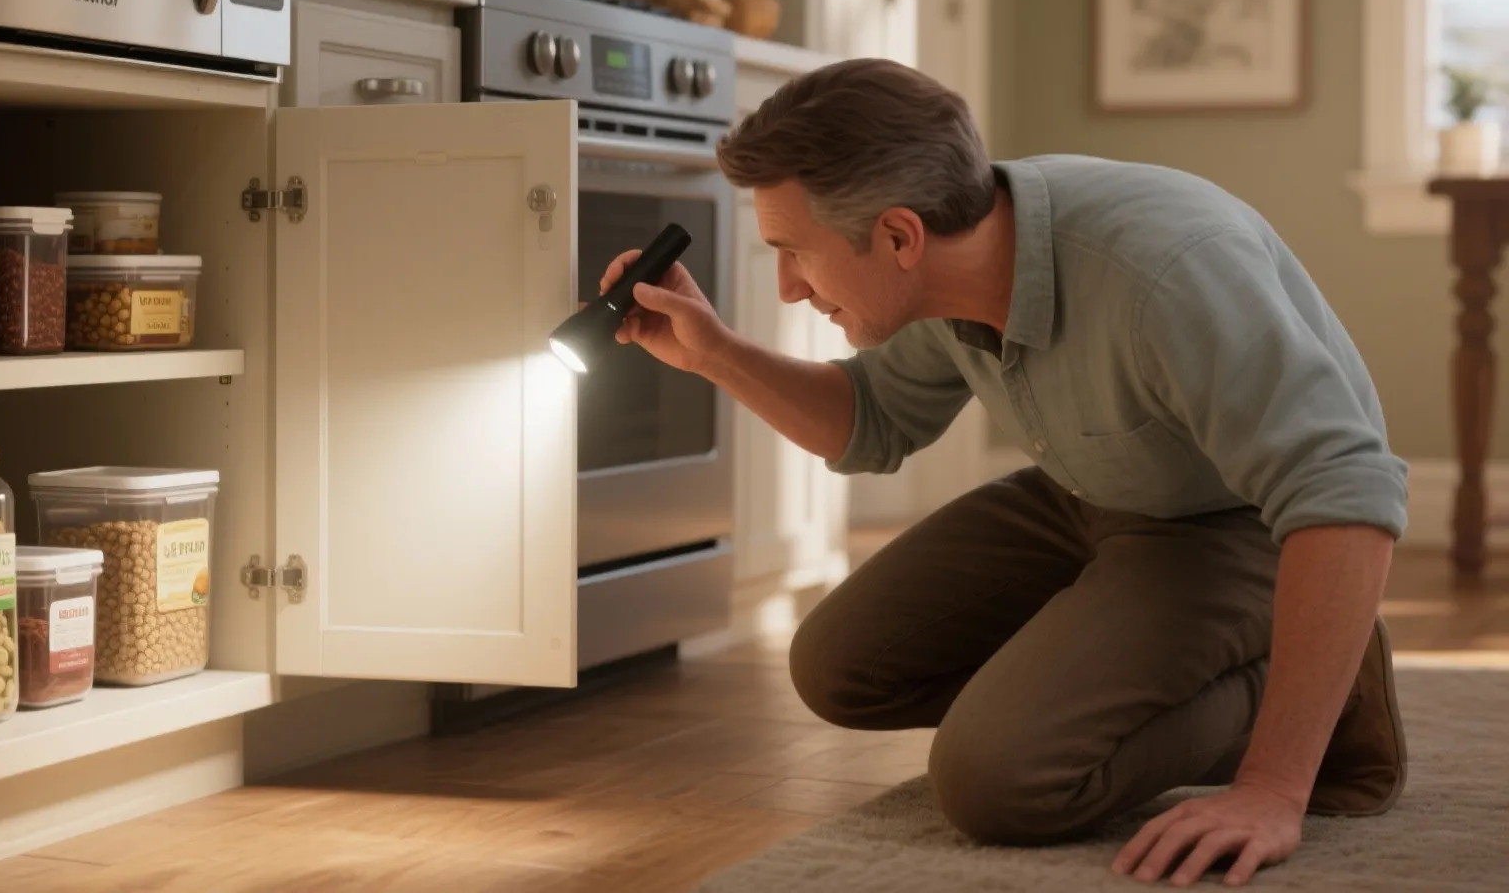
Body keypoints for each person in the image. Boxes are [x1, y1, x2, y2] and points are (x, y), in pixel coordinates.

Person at [598, 57, 1407, 887]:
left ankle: (1330, 695)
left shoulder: (1166, 271)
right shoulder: (957, 256)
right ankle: (1110, 665)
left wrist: (1271, 788)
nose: (790, 288)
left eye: (794, 253)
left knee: (1000, 782)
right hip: (1094, 491)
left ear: (900, 236)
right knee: (843, 668)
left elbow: (1347, 490)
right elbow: (869, 423)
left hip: (1234, 523)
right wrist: (714, 354)